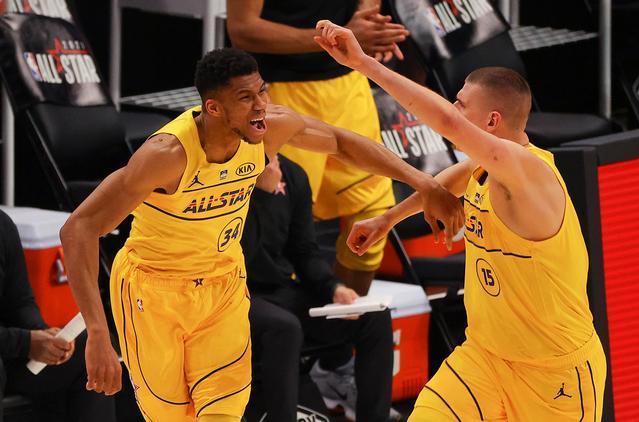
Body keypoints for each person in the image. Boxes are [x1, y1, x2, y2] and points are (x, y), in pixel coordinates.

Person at [59, 48, 463, 422]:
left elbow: (341, 142)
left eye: (262, 91)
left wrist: (424, 183)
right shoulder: (166, 156)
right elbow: (78, 228)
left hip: (223, 285)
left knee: (223, 413)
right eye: (245, 98)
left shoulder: (270, 128)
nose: (260, 105)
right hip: (154, 291)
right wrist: (98, 333)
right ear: (214, 108)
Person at [314, 21, 607, 421]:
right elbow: (446, 182)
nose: (453, 109)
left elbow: (446, 123)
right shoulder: (483, 167)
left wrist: (364, 64)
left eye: (461, 103)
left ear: (491, 121)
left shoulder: (528, 171)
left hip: (552, 371)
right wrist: (388, 219)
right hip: (484, 358)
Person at [227, 0, 410, 296]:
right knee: (284, 230)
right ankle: (288, 321)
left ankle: (349, 317)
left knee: (372, 219)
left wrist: (367, 24)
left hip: (348, 83)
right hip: (283, 90)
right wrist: (336, 38)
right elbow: (242, 29)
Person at [242, 154, 394, 422]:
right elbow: (236, 254)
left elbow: (304, 251)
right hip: (234, 294)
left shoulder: (292, 174)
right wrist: (262, 195)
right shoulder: (222, 174)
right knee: (285, 327)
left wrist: (333, 287)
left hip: (279, 291)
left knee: (374, 317)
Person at [0, 209, 116, 422]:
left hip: (10, 352)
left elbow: (20, 302)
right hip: (9, 349)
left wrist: (45, 335)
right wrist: (26, 343)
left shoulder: (3, 225)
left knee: (87, 351)